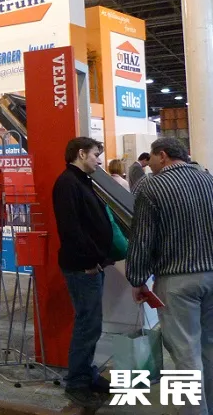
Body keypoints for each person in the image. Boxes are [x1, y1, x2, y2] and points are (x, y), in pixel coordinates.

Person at [127, 137, 213, 415]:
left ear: (162, 155)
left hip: (177, 280)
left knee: (185, 353)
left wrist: (137, 279)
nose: (149, 164)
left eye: (151, 158)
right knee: (209, 347)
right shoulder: (208, 180)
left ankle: (192, 411)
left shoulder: (152, 187)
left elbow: (142, 239)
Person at [52, 137, 113, 408]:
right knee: (87, 325)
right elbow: (71, 230)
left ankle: (87, 374)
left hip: (91, 265)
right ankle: (77, 382)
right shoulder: (67, 183)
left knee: (92, 325)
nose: (99, 160)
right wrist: (90, 261)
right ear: (81, 154)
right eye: (95, 155)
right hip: (82, 267)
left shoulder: (81, 181)